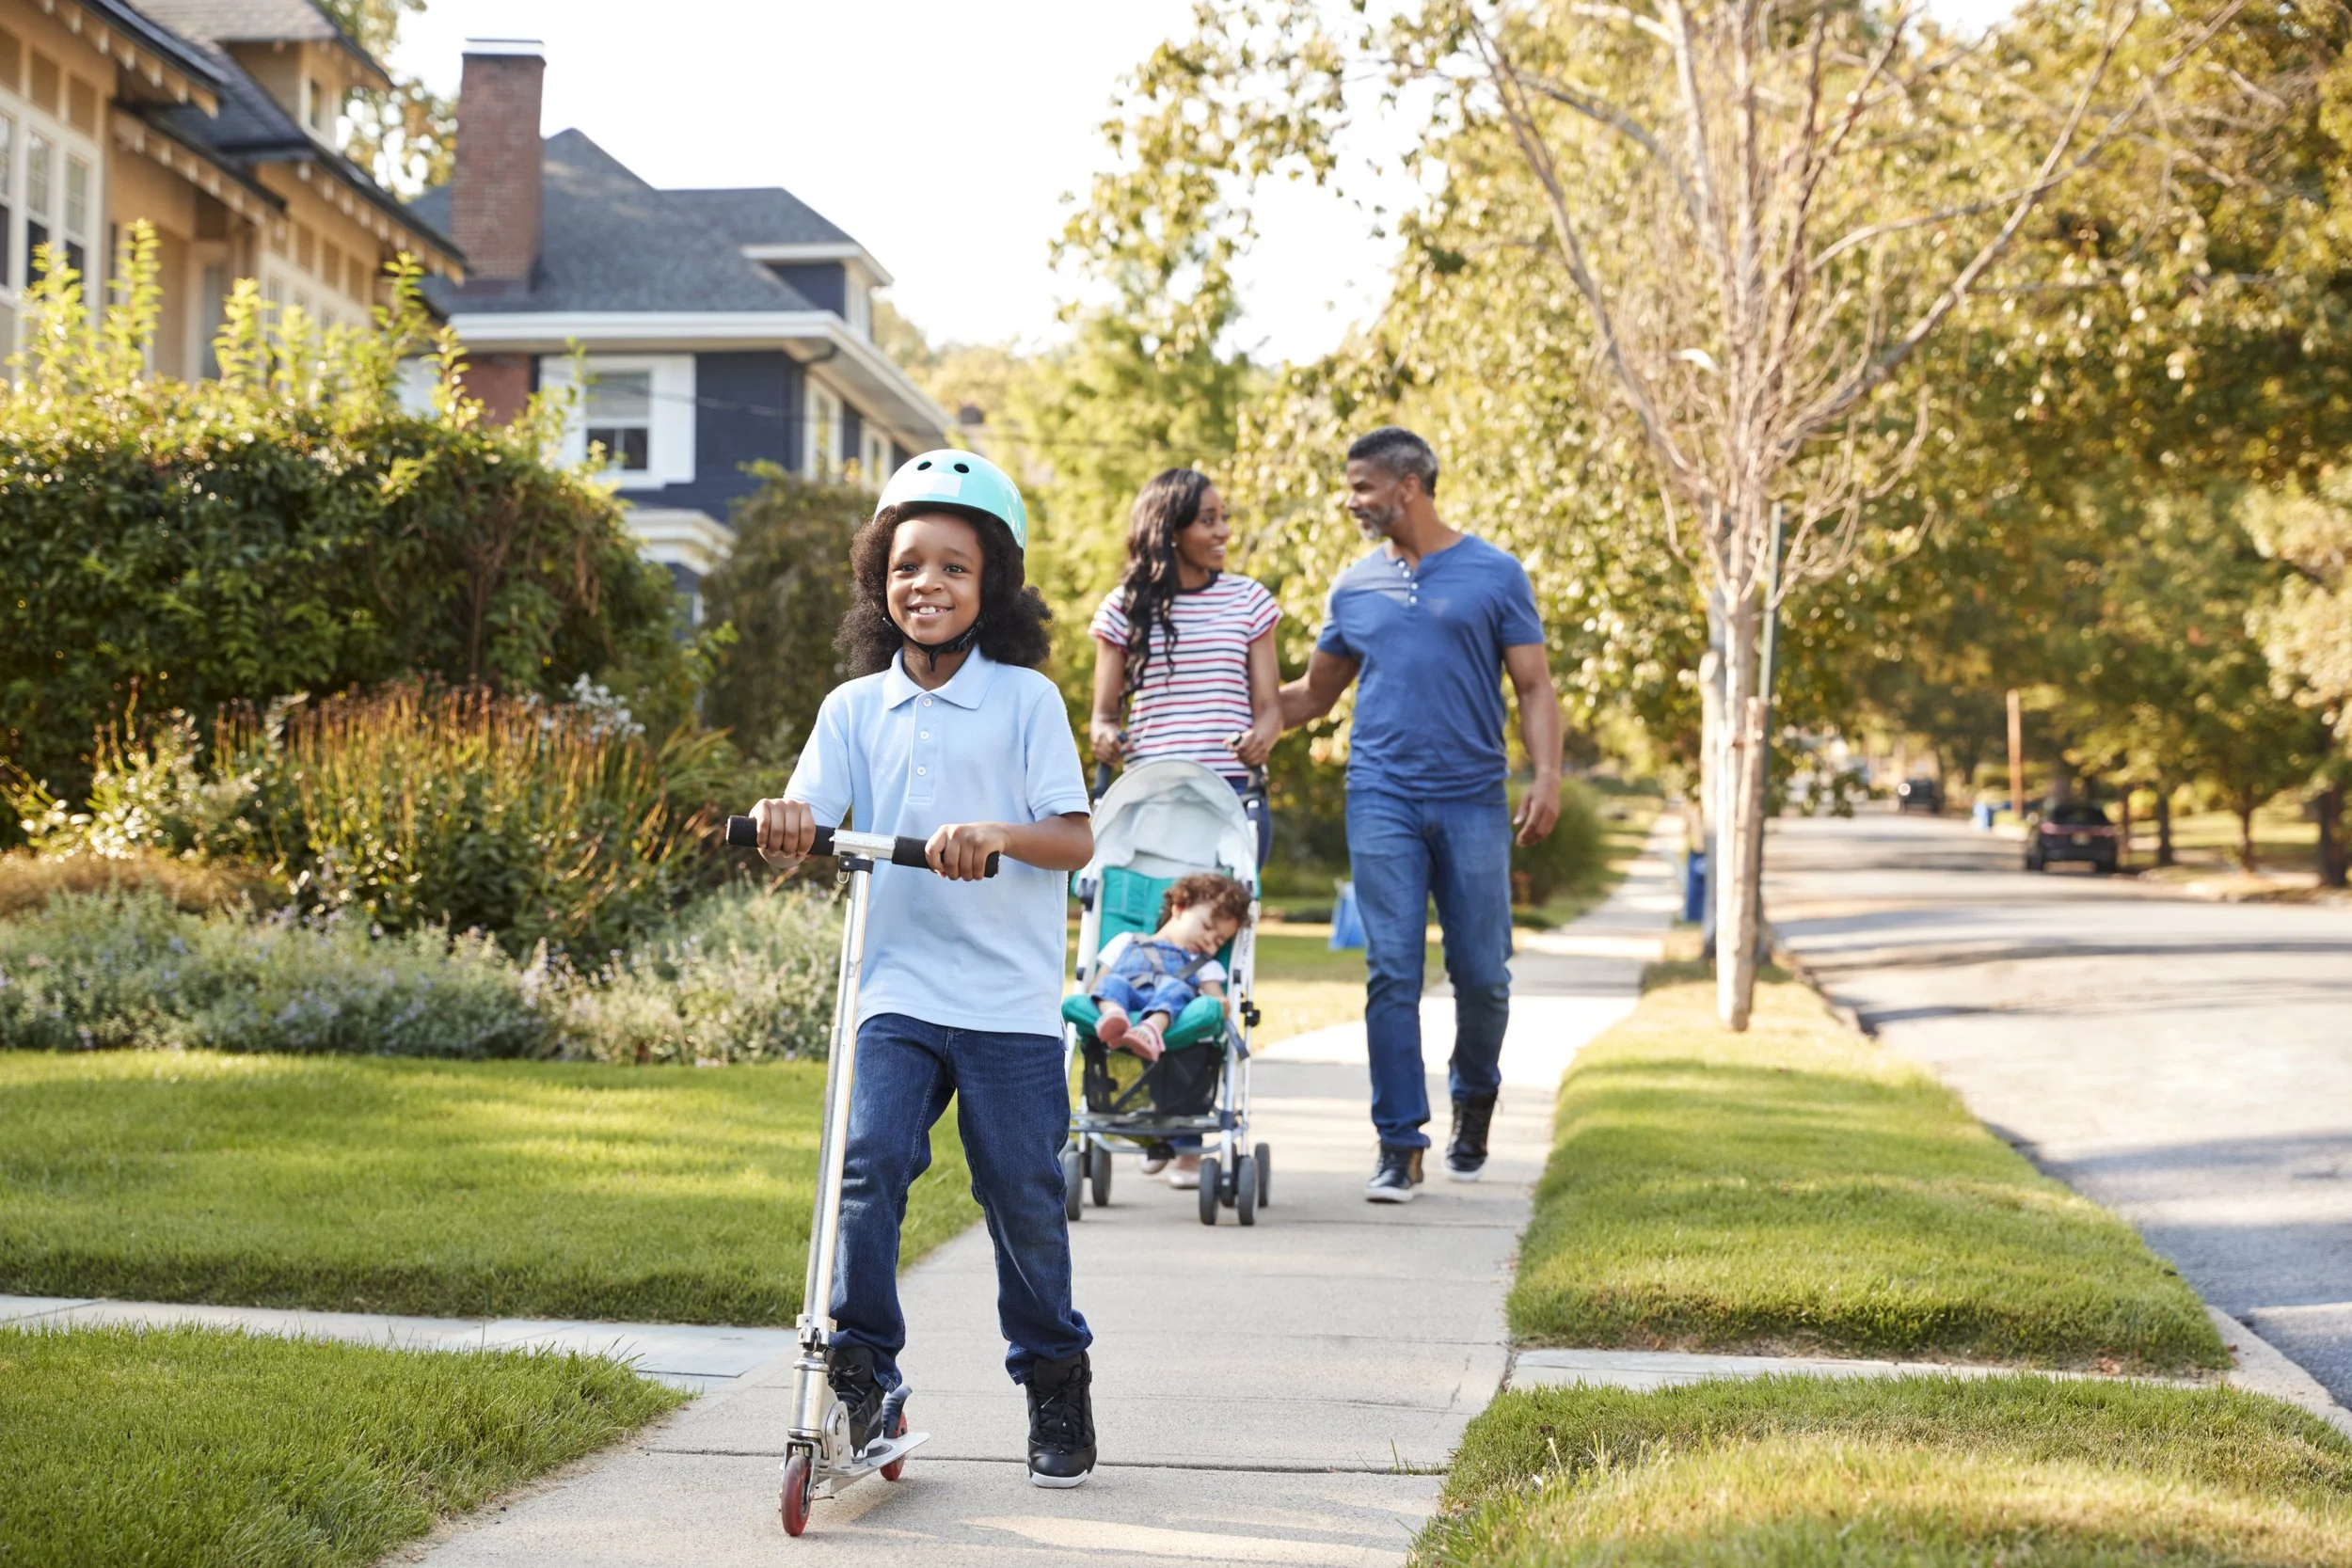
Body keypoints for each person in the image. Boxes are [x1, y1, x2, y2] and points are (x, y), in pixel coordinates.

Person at [747, 451, 1101, 1488]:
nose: (926, 585)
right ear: (877, 577)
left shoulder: (1025, 699)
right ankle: (864, 1377)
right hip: (895, 989)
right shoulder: (854, 708)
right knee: (867, 1163)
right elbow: (805, 820)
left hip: (1008, 998)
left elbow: (1074, 837)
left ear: (991, 584)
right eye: (907, 565)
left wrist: (997, 832)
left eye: (952, 566)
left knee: (1020, 1191)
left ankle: (1053, 1376)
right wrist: (783, 820)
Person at [1278, 427, 1563, 1204]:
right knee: (1391, 970)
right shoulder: (1353, 588)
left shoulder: (1495, 574)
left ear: (1408, 485)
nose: (1352, 500)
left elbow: (1534, 686)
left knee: (1483, 975)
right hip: (1382, 795)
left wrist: (1547, 776)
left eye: (1363, 485)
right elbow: (1314, 693)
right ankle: (1398, 1143)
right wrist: (1245, 716)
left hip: (1473, 795)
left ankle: (1475, 1097)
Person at [1089, 467, 1281, 863]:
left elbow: (1270, 711)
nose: (1224, 532)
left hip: (1230, 794)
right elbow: (1103, 718)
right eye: (1208, 520)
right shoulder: (1122, 607)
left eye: (1224, 518)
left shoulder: (1249, 601)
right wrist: (1106, 736)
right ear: (1170, 531)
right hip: (1147, 795)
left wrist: (1261, 737)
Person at [1086, 871, 1252, 1190]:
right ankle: (1115, 1018)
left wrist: (1220, 1002)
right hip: (1127, 1005)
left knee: (1175, 989)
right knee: (1112, 984)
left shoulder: (1205, 965)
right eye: (1206, 928)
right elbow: (1097, 983)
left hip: (1173, 1025)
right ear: (1178, 907)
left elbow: (1218, 1000)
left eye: (1219, 941)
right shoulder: (1126, 942)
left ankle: (1151, 1028)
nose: (1209, 942)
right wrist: (1107, 1000)